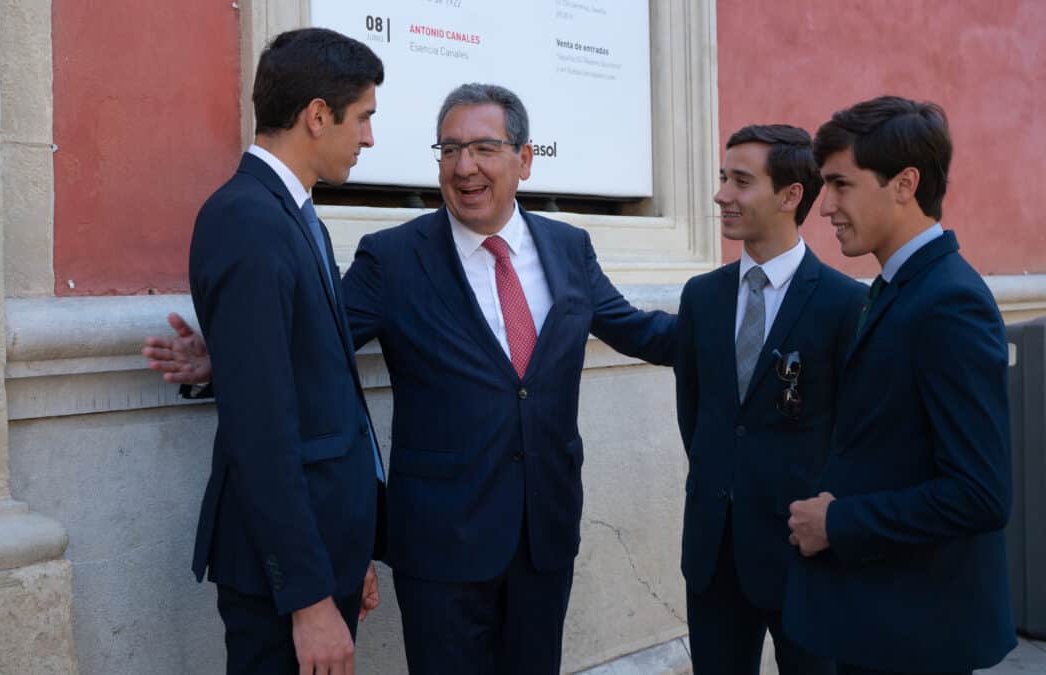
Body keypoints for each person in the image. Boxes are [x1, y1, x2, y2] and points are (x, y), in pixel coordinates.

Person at [146, 83, 676, 675]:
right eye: (448, 150)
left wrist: (741, 331)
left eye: (482, 148)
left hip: (543, 536)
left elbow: (640, 331)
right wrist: (222, 359)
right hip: (442, 547)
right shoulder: (393, 258)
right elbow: (312, 344)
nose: (463, 167)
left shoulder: (569, 248)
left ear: (525, 160)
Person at [784, 96, 1015, 675]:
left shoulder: (950, 301)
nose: (826, 207)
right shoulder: (900, 285)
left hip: (918, 635)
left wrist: (839, 523)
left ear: (904, 183)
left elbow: (980, 494)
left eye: (841, 185)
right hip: (883, 620)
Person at [181, 27, 386, 674]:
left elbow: (304, 376)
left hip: (326, 556)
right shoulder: (247, 218)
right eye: (364, 119)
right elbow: (262, 432)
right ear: (317, 116)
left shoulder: (296, 217)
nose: (369, 139)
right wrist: (308, 599)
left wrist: (351, 558)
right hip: (285, 582)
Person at [675, 125, 864, 675]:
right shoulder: (701, 297)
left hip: (804, 557)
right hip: (712, 556)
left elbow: (852, 436)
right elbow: (699, 416)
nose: (721, 196)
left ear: (790, 195)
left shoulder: (844, 304)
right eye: (721, 179)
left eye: (740, 181)